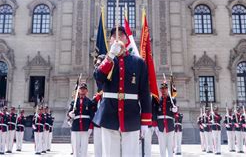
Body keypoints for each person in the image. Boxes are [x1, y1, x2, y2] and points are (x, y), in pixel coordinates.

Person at [93, 26, 152, 157]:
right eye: (114, 35)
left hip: (131, 114)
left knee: (131, 154)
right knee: (110, 154)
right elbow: (99, 78)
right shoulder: (104, 59)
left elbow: (144, 92)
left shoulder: (139, 62)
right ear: (110, 41)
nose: (117, 37)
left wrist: (145, 121)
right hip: (109, 113)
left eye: (121, 35)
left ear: (126, 40)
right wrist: (110, 56)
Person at [68, 83, 96, 157]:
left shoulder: (90, 102)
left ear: (87, 91)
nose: (82, 90)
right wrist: (70, 114)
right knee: (76, 146)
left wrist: (90, 127)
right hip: (76, 126)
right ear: (78, 91)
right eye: (81, 89)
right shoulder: (73, 102)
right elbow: (69, 113)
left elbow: (92, 116)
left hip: (85, 126)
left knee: (84, 147)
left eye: (84, 89)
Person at [156, 81, 177, 157]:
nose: (163, 90)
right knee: (162, 146)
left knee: (170, 146)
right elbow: (156, 113)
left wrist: (175, 110)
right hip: (161, 126)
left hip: (170, 125)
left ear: (167, 89)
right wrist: (155, 125)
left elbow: (175, 114)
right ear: (160, 90)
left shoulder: (172, 100)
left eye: (165, 89)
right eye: (162, 89)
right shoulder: (158, 100)